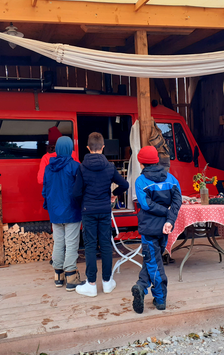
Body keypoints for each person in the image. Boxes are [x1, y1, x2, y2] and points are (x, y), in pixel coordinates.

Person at [72, 132, 129, 297]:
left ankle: (90, 284)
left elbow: (76, 193)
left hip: (88, 211)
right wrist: (114, 194)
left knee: (90, 246)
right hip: (104, 210)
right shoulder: (110, 167)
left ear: (88, 147)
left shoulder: (82, 168)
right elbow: (124, 184)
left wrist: (83, 204)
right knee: (105, 245)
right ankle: (106, 282)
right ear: (103, 147)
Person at [131, 145, 182, 313]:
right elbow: (177, 202)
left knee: (154, 263)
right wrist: (169, 219)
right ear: (157, 160)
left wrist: (166, 213)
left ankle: (160, 299)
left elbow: (146, 204)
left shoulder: (140, 181)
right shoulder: (172, 179)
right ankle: (142, 287)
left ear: (141, 162)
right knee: (153, 260)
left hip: (149, 229)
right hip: (164, 229)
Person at [42, 136, 82, 291]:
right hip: (71, 209)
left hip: (55, 210)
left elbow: (45, 190)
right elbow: (79, 190)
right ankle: (71, 277)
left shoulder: (48, 168)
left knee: (58, 242)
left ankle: (58, 275)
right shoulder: (75, 166)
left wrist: (49, 206)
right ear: (70, 149)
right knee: (71, 243)